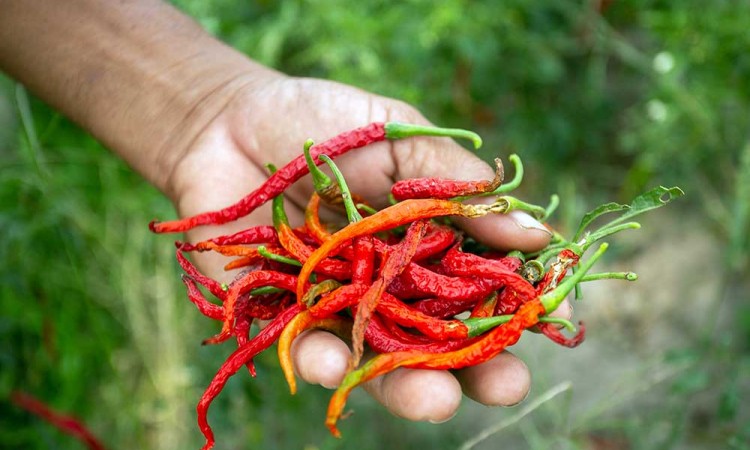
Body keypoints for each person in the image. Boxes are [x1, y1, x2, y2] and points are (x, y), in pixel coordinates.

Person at [0, 0, 565, 424]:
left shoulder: (431, 248)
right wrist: (205, 113)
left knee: (379, 295)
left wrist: (208, 107)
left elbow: (377, 272)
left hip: (399, 263)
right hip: (359, 253)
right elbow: (360, 262)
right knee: (359, 281)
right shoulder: (357, 233)